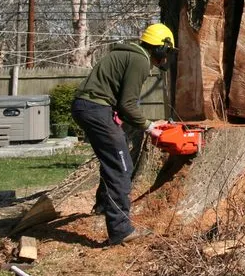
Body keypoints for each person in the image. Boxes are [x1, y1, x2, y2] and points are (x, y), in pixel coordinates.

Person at [71, 23, 175, 245]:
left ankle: (102, 208)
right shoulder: (140, 60)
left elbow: (122, 102)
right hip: (96, 109)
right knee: (122, 166)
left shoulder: (128, 54)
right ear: (160, 48)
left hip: (90, 107)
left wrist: (146, 122)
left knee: (112, 160)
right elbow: (128, 105)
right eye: (165, 53)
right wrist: (149, 127)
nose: (165, 59)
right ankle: (120, 230)